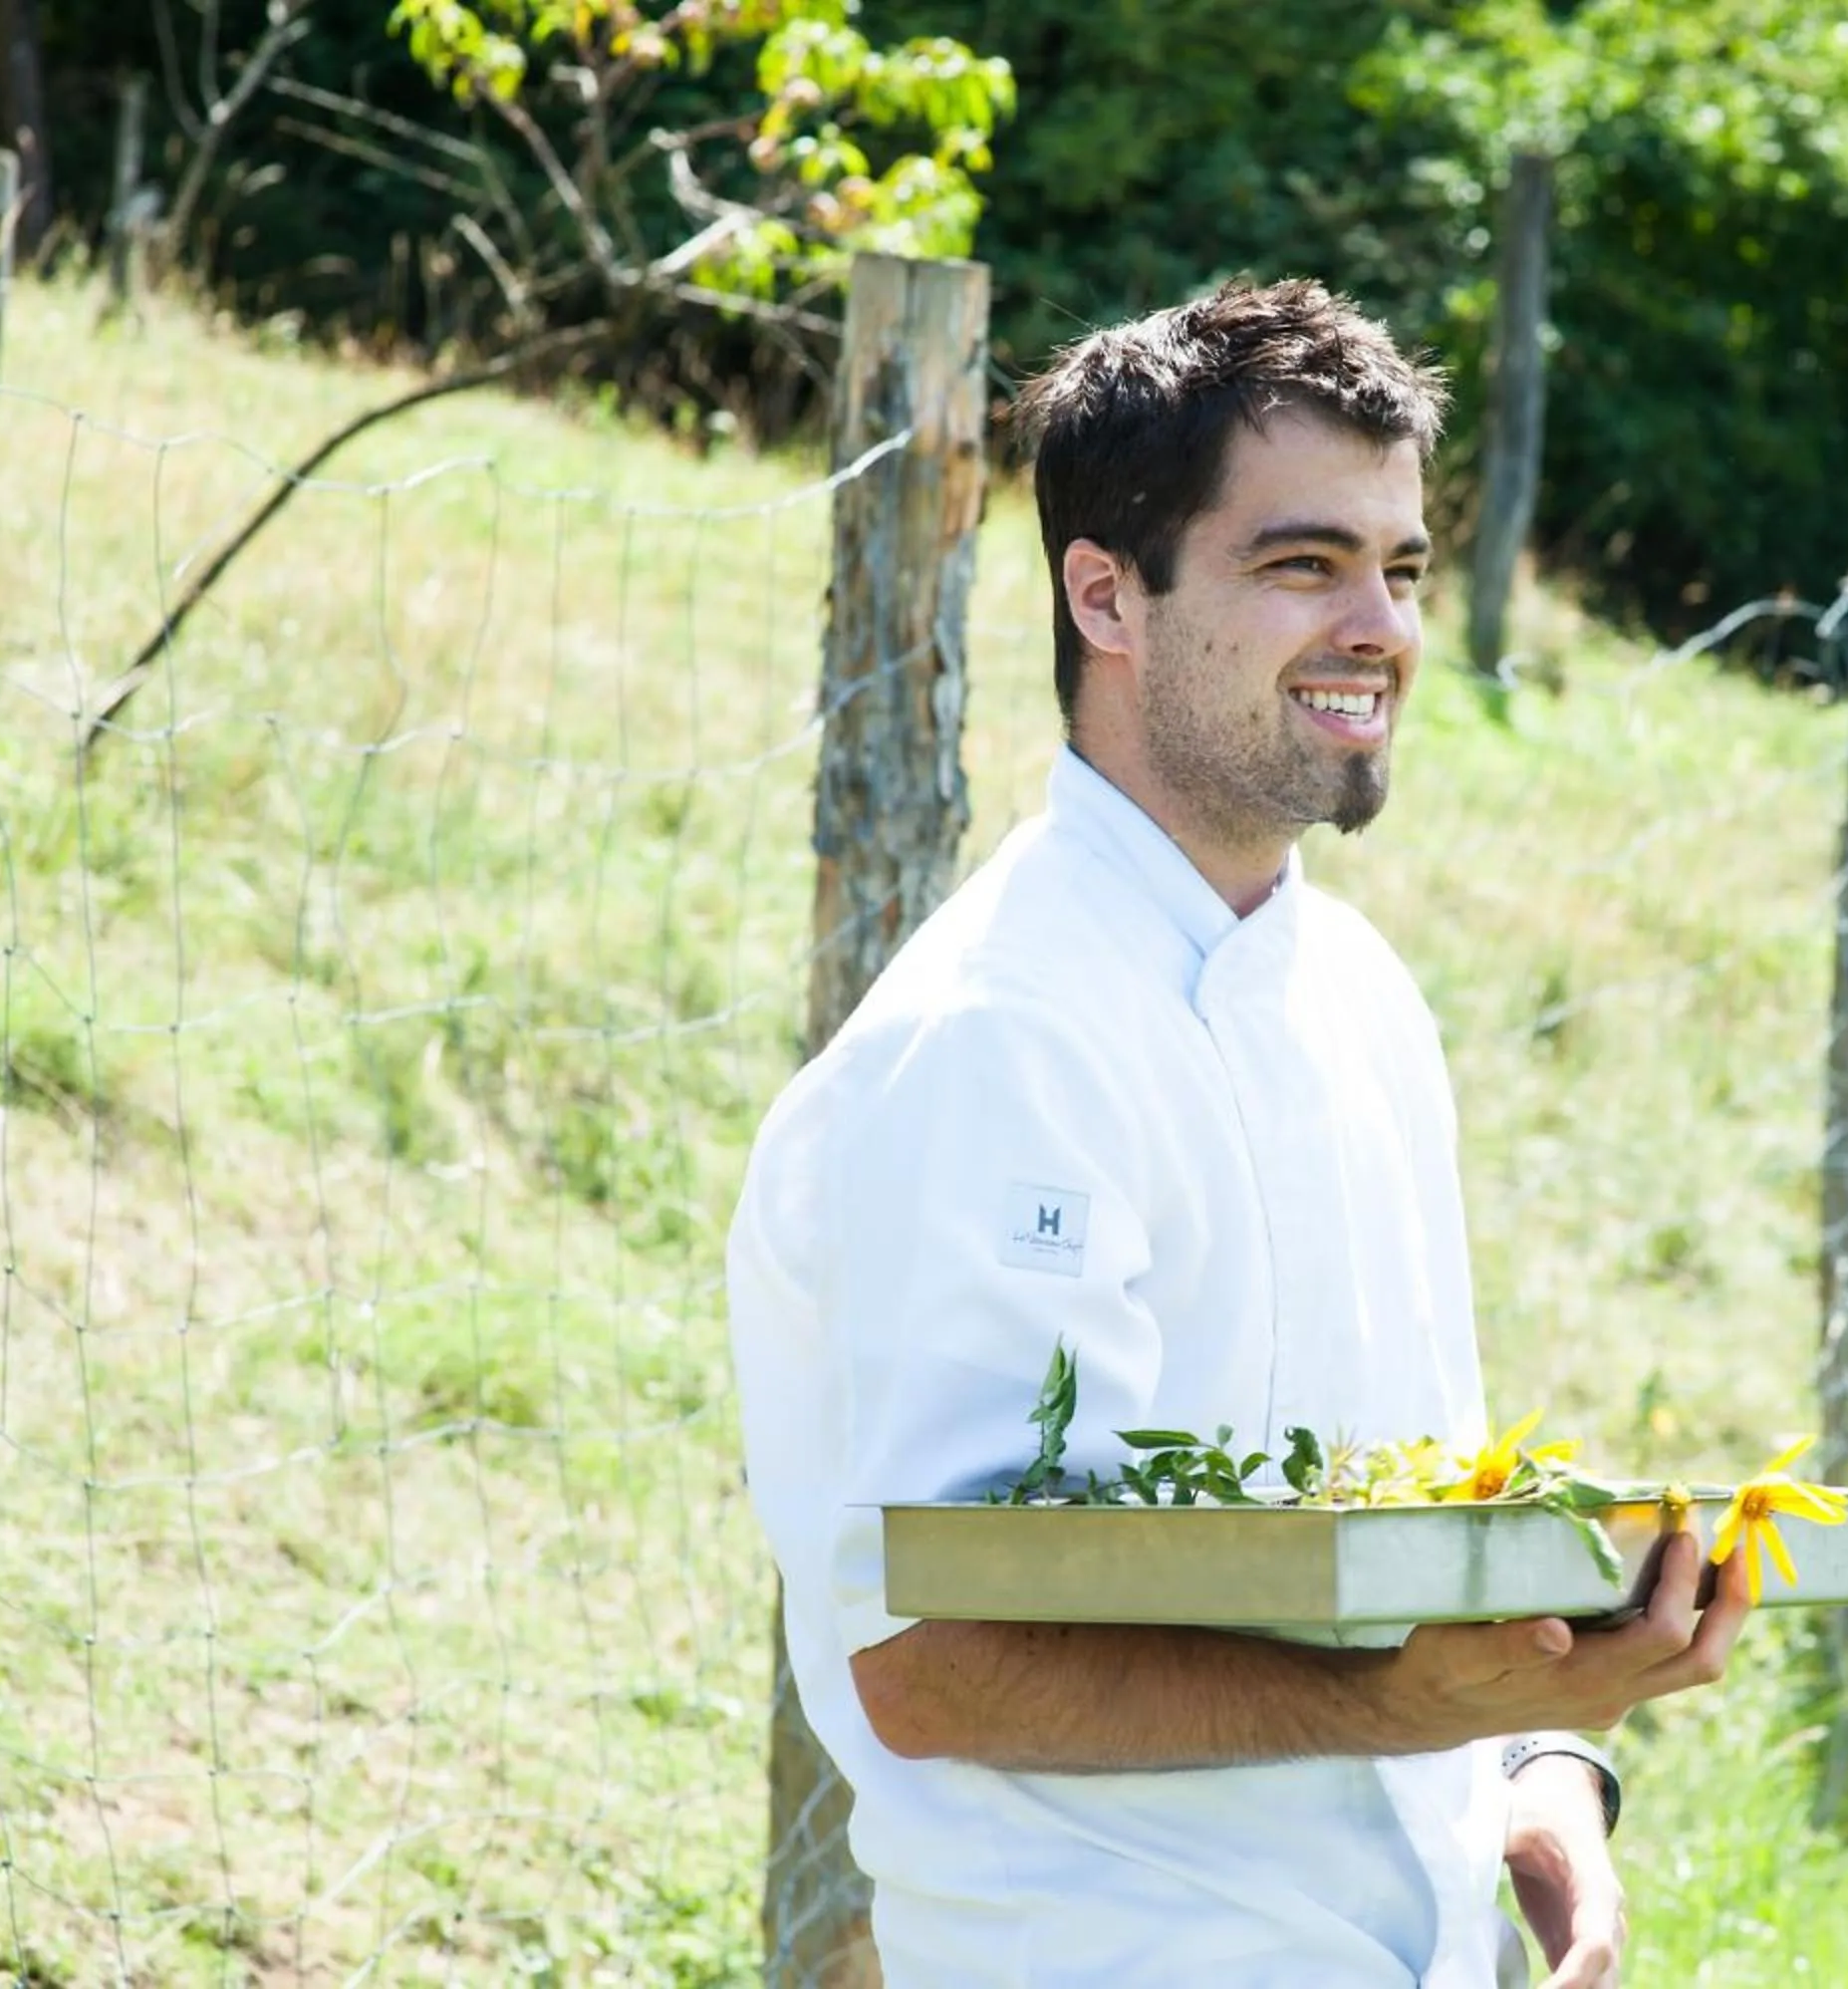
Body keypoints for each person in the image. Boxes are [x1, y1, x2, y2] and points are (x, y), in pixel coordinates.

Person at [726, 277, 1752, 1989]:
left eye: (1402, 568)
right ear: (1105, 594)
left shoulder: (1360, 996)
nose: (1382, 627)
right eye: (1303, 565)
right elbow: (932, 1665)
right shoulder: (995, 1040)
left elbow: (1426, 1515)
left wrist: (1539, 1776)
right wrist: (1407, 1702)